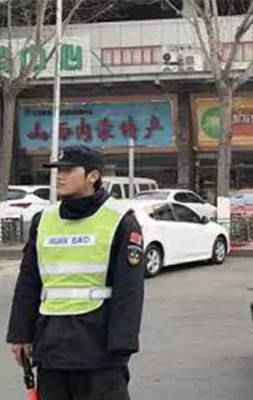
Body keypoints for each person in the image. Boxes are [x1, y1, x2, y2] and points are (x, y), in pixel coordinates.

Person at [6, 145, 145, 400]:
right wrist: (20, 335)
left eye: (68, 170)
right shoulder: (44, 220)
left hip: (98, 349)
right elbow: (29, 282)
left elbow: (129, 290)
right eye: (58, 170)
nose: (59, 176)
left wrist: (121, 347)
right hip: (51, 345)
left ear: (93, 176)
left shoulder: (119, 219)